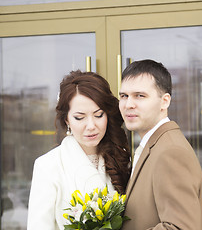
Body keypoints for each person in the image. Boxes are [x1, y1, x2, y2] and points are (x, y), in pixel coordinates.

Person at [27, 70, 131, 230]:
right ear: (66, 119)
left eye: (98, 115)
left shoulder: (119, 158)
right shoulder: (48, 166)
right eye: (79, 117)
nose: (91, 126)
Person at [119, 59, 202, 230]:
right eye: (124, 96)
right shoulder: (155, 145)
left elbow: (180, 227)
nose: (128, 104)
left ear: (165, 101)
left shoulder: (171, 152)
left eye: (140, 96)